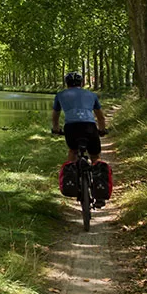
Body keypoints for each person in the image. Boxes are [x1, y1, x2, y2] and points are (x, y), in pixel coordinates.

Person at [52, 71, 109, 207]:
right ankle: (99, 193)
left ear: (67, 84)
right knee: (95, 156)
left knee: (72, 151)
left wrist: (56, 128)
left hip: (71, 128)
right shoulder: (91, 95)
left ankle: (72, 183)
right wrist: (101, 130)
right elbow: (100, 117)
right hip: (89, 127)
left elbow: (55, 115)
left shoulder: (60, 95)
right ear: (81, 83)